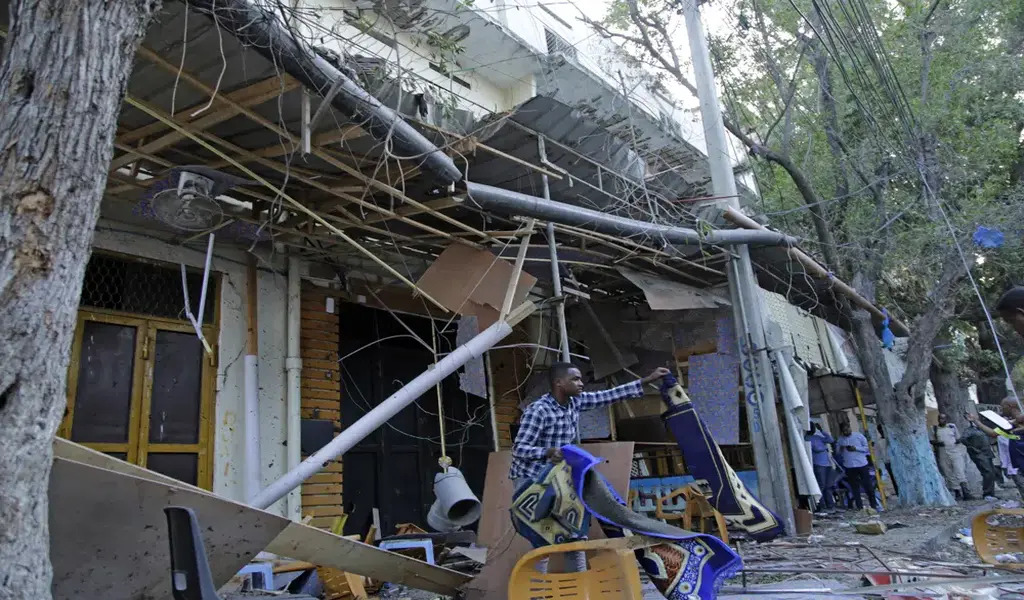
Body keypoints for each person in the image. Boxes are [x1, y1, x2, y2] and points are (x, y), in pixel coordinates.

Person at [510, 363, 670, 573]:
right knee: (543, 536)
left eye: (580, 379)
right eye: (575, 379)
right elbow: (519, 449)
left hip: (559, 477)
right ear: (559, 383)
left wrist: (646, 381)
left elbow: (609, 396)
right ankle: (537, 591)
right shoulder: (539, 411)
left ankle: (579, 586)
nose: (581, 383)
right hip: (531, 479)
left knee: (574, 531)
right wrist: (547, 452)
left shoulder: (575, 402)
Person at [836, 422, 878, 510]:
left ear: (850, 428)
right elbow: (837, 453)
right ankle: (860, 507)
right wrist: (841, 448)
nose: (846, 431)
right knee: (854, 488)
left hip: (861, 464)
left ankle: (874, 505)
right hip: (849, 466)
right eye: (844, 431)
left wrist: (856, 448)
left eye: (847, 429)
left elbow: (867, 448)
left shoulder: (859, 436)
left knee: (868, 485)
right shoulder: (840, 440)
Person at [932, 412, 972, 500]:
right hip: (943, 452)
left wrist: (958, 441)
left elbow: (958, 438)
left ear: (946, 419)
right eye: (940, 418)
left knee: (959, 470)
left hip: (955, 450)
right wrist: (938, 443)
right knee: (948, 472)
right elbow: (931, 440)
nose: (942, 420)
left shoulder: (952, 427)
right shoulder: (934, 429)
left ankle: (966, 492)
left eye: (943, 418)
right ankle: (957, 491)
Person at [960, 413, 998, 499]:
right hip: (979, 454)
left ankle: (991, 493)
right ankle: (987, 494)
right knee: (987, 472)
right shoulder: (969, 430)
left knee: (991, 473)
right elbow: (962, 439)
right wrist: (972, 448)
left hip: (987, 453)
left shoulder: (982, 429)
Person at [804, 420, 835, 512]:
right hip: (819, 464)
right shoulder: (807, 438)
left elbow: (830, 440)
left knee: (828, 486)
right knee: (821, 486)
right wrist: (825, 448)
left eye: (814, 427)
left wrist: (822, 431)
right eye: (812, 427)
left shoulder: (817, 436)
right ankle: (822, 506)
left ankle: (830, 505)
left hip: (827, 464)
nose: (814, 429)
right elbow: (817, 449)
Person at [874, 423, 898, 496]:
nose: (882, 431)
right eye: (880, 430)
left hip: (897, 461)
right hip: (888, 462)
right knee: (893, 478)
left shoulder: (892, 438)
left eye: (882, 430)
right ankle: (898, 492)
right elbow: (878, 455)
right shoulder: (878, 442)